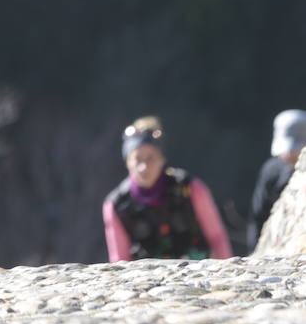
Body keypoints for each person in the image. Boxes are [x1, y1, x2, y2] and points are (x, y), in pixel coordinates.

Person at [102, 116, 232, 261]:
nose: (144, 166)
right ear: (127, 162)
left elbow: (217, 238)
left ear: (162, 159)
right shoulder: (117, 205)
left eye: (150, 158)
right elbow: (119, 260)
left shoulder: (190, 188)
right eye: (137, 158)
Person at [248, 108, 306, 251]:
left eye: (295, 150)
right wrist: (254, 251)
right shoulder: (271, 170)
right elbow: (258, 213)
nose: (289, 154)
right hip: (276, 242)